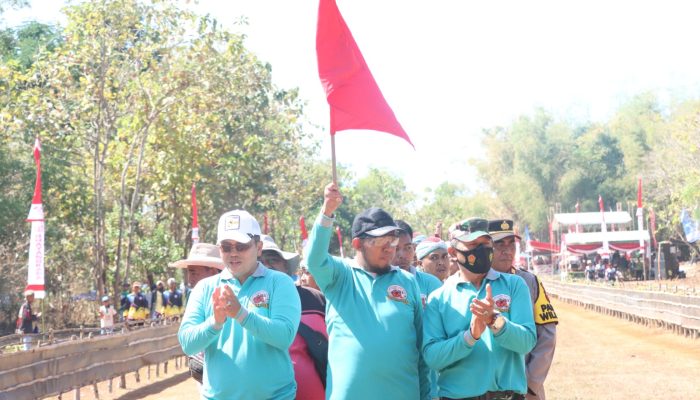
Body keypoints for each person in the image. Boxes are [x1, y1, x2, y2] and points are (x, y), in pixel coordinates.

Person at [305, 183, 430, 400]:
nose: (390, 247)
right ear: (357, 244)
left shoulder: (408, 282)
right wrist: (327, 212)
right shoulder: (340, 275)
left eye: (392, 239)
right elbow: (314, 259)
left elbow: (421, 350)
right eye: (381, 240)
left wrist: (428, 396)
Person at [178, 209, 301, 399]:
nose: (233, 253)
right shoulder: (204, 288)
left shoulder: (280, 282)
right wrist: (215, 322)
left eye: (241, 246)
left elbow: (284, 336)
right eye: (226, 247)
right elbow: (187, 344)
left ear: (258, 247)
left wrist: (241, 314)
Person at [423, 218, 536, 400]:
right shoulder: (439, 298)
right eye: (474, 244)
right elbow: (433, 358)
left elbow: (527, 342)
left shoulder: (514, 285)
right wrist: (470, 336)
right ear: (453, 251)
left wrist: (495, 321)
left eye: (486, 243)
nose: (482, 250)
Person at [489, 219, 558, 400]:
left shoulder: (530, 282)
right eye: (499, 245)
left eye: (511, 244)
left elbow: (547, 335)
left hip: (525, 388)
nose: (507, 250)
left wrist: (530, 382)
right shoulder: (476, 282)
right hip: (486, 387)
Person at [260, 234, 328, 400]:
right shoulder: (242, 305)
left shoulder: (315, 299)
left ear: (285, 266)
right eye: (260, 262)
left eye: (273, 260)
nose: (267, 266)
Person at [393, 220, 443, 400]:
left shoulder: (432, 284)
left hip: (430, 377)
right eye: (396, 248)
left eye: (407, 248)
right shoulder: (380, 286)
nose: (402, 255)